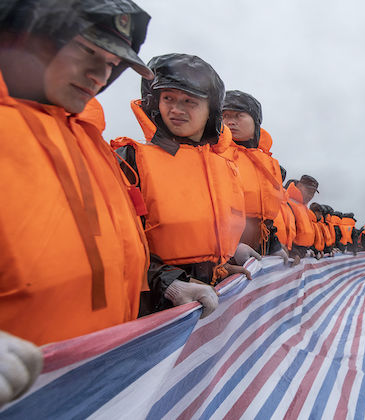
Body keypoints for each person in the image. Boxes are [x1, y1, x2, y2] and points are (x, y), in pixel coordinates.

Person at [0, 0, 151, 406]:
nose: (99, 74)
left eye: (111, 63)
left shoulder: (90, 143)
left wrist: (167, 288)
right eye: (87, 50)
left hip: (97, 389)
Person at [113, 54, 251, 315]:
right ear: (154, 101)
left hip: (209, 292)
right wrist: (171, 284)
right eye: (168, 98)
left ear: (210, 109)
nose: (177, 109)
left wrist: (223, 264)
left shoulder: (223, 165)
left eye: (190, 101)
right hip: (157, 303)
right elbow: (119, 242)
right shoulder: (131, 161)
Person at [222, 91, 287, 263]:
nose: (229, 121)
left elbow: (267, 216)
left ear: (255, 120)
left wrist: (274, 246)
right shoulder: (213, 155)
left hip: (260, 250)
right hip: (223, 256)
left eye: (238, 115)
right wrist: (230, 247)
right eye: (225, 115)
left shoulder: (268, 163)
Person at [286, 175, 319, 264]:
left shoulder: (304, 208)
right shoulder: (287, 202)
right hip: (291, 259)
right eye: (308, 191)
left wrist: (312, 250)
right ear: (299, 186)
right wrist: (292, 253)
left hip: (301, 256)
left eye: (313, 193)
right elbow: (286, 232)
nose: (310, 195)